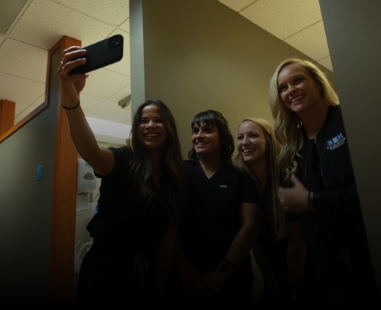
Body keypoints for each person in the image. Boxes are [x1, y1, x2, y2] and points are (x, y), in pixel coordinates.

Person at [58, 46, 186, 307]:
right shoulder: (124, 159)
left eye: (158, 120)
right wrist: (71, 99)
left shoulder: (176, 178)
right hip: (104, 274)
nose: (150, 125)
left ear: (169, 127)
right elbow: (92, 153)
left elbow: (168, 240)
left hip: (147, 274)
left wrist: (158, 293)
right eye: (143, 121)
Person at [268, 58, 379, 307]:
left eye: (297, 80)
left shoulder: (349, 120)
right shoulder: (293, 150)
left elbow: (372, 188)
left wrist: (313, 200)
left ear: (318, 84)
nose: (290, 90)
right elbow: (310, 227)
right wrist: (331, 282)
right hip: (339, 276)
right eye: (283, 87)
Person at [172, 110, 260, 309]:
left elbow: (250, 226)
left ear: (222, 138)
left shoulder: (240, 177)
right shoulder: (179, 172)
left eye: (207, 130)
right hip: (187, 278)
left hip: (232, 279)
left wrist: (222, 272)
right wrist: (185, 269)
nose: (199, 135)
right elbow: (169, 224)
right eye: (195, 131)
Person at [235, 117, 306, 307]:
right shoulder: (242, 183)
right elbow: (254, 241)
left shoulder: (288, 178)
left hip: (303, 275)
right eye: (240, 137)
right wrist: (273, 287)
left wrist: (292, 294)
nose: (245, 142)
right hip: (273, 276)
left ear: (268, 142)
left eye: (253, 135)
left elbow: (298, 246)